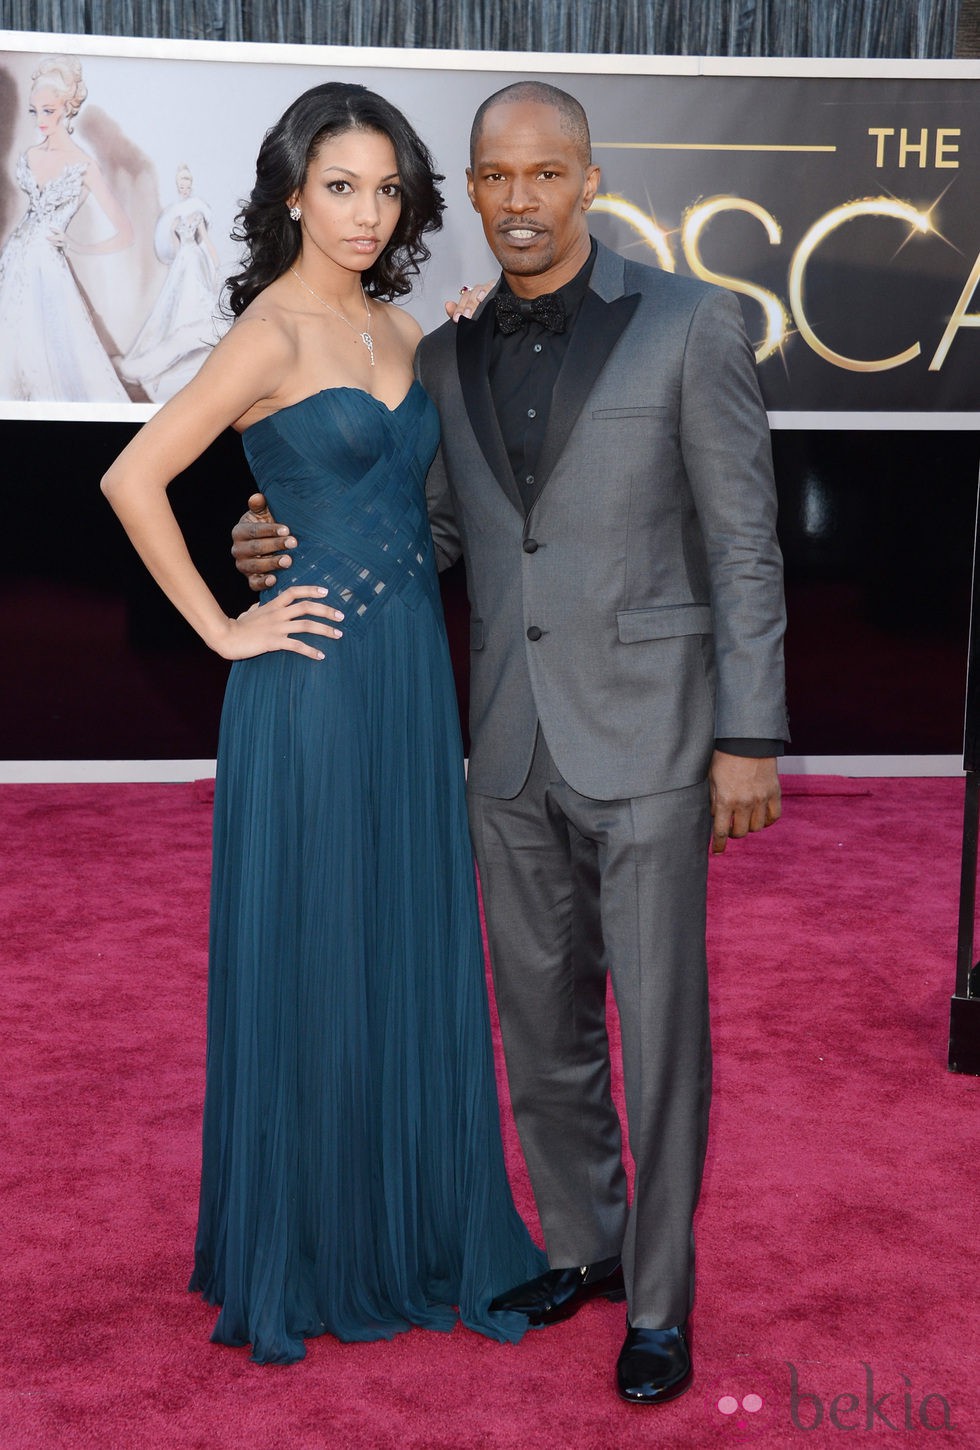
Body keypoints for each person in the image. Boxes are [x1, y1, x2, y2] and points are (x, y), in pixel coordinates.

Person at [233, 81, 788, 1402]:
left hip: (656, 737)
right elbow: (424, 539)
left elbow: (744, 544)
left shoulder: (691, 322)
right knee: (542, 1026)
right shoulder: (442, 357)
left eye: (547, 174)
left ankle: (659, 1301)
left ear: (589, 178)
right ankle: (580, 1244)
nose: (521, 199)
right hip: (505, 746)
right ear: (471, 193)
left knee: (657, 1035)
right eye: (497, 177)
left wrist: (749, 731)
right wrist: (277, 546)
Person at [101, 81, 545, 1366]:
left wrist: (460, 344)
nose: (363, 212)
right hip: (308, 686)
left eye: (384, 189)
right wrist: (226, 626)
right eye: (338, 186)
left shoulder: (407, 326)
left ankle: (408, 1223)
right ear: (290, 193)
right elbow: (134, 475)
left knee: (401, 937)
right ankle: (307, 1240)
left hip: (411, 679)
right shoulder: (271, 330)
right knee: (319, 945)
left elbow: (432, 498)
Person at [0, 54, 133, 402]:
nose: (41, 119)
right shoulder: (29, 155)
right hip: (12, 260)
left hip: (47, 267)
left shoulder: (84, 165)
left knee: (51, 355)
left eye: (49, 110)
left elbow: (125, 232)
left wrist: (76, 246)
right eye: (34, 110)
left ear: (67, 108)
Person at [118, 163, 225, 402]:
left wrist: (216, 264)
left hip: (195, 260)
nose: (184, 186)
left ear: (191, 184)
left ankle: (200, 359)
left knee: (198, 299)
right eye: (180, 183)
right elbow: (176, 250)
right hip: (183, 261)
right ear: (177, 186)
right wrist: (172, 232)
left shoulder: (197, 210)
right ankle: (179, 356)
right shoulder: (173, 214)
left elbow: (205, 240)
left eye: (186, 182)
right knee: (178, 303)